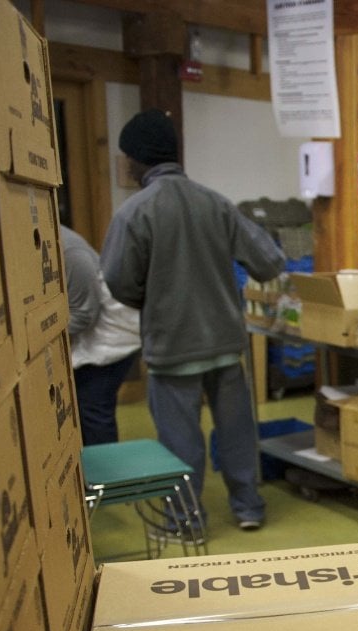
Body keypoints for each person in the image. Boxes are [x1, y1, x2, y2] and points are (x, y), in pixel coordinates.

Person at [101, 108, 286, 534]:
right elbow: (269, 261)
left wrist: (154, 300)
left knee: (180, 438)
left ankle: (184, 519)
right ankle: (248, 507)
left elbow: (117, 280)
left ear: (136, 159)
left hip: (173, 346)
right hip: (224, 342)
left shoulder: (135, 212)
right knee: (236, 430)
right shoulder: (216, 203)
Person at [61, 224, 141, 445]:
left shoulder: (69, 251)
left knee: (92, 405)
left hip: (113, 339)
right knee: (88, 405)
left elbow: (84, 313)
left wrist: (36, 338)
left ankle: (104, 466)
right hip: (101, 337)